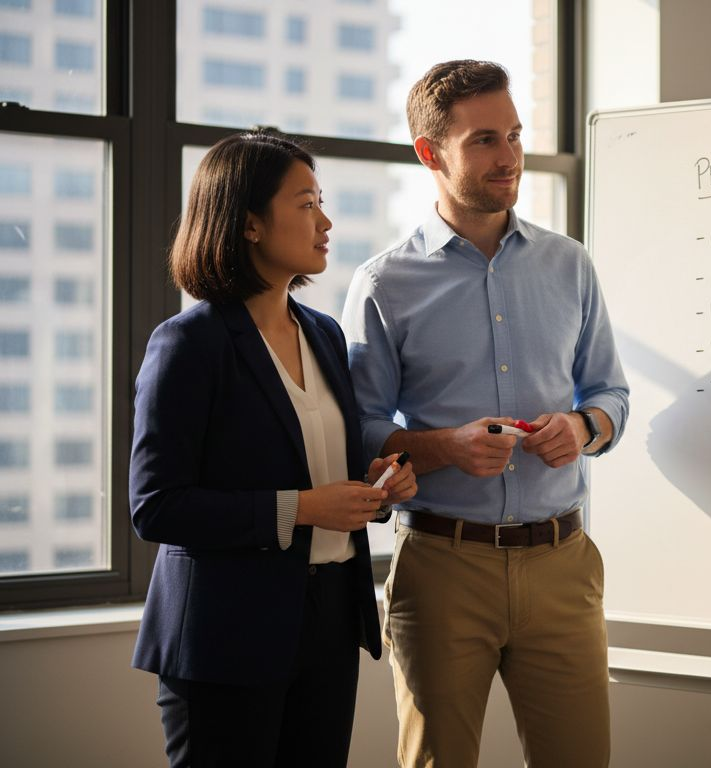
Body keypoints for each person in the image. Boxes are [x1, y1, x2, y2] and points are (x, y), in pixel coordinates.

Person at [342, 60, 629, 766]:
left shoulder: (570, 265)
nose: (509, 158)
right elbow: (359, 430)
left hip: (563, 564)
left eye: (514, 135)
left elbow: (611, 395)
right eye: (483, 141)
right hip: (442, 566)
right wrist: (445, 446)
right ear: (429, 153)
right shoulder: (384, 283)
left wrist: (582, 428)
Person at [129, 132, 417, 767]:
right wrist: (304, 508)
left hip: (328, 625)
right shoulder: (189, 344)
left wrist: (375, 489)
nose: (326, 221)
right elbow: (156, 507)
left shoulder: (323, 334)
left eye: (323, 202)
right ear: (251, 223)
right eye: (307, 202)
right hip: (224, 636)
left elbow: (319, 477)